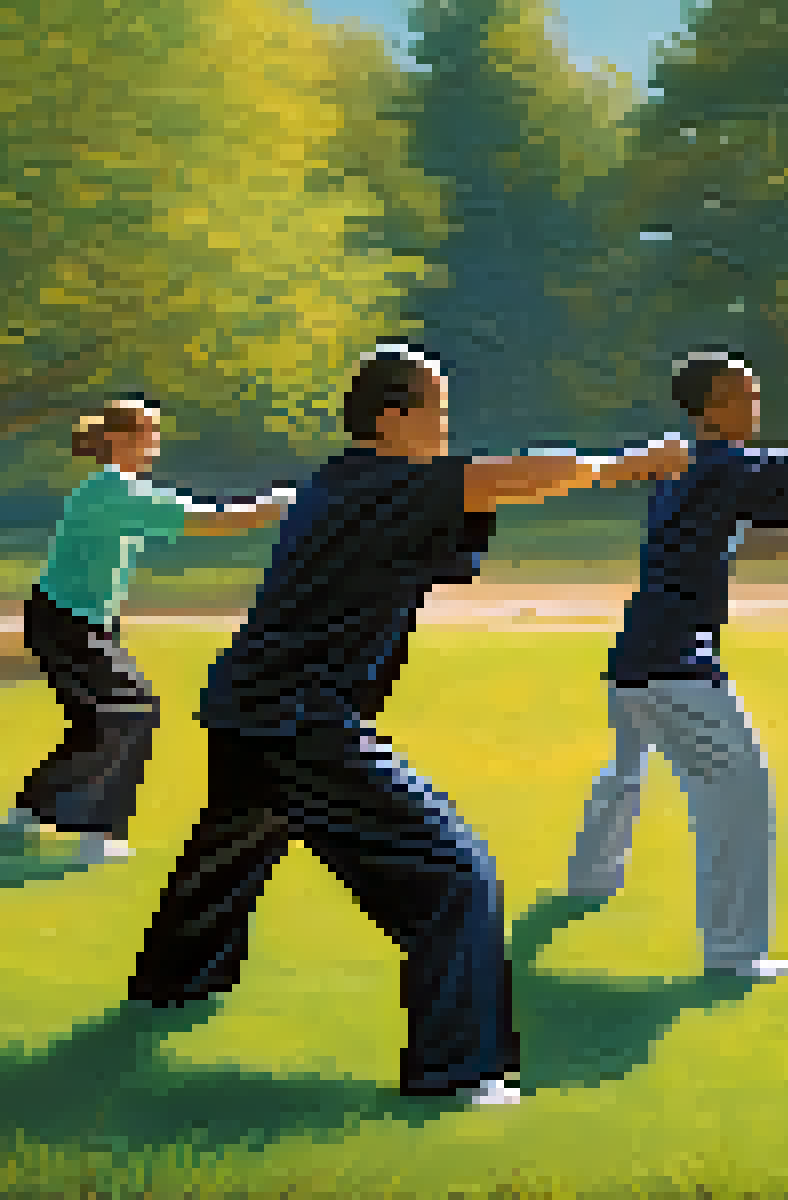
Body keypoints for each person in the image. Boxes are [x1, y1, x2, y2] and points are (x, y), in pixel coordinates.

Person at [126, 344, 690, 1106]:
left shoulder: (345, 482)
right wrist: (633, 464)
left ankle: (169, 990)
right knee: (453, 876)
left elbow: (472, 502)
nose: (447, 428)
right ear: (392, 420)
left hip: (245, 710)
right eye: (438, 412)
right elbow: (513, 478)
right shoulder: (386, 481)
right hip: (301, 718)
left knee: (227, 852)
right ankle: (457, 1075)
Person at [556, 352, 788, 979]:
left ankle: (589, 881)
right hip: (676, 664)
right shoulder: (718, 461)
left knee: (624, 770)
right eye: (743, 396)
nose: (755, 405)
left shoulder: (688, 470)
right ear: (712, 408)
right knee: (740, 792)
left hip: (634, 659)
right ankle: (733, 953)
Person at [6, 395, 289, 864]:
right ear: (118, 438)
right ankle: (96, 834)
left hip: (78, 622)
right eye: (147, 433)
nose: (155, 443)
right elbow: (213, 522)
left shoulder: (119, 490)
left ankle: (31, 812)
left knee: (101, 720)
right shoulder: (113, 490)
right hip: (67, 622)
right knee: (132, 713)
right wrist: (279, 504)